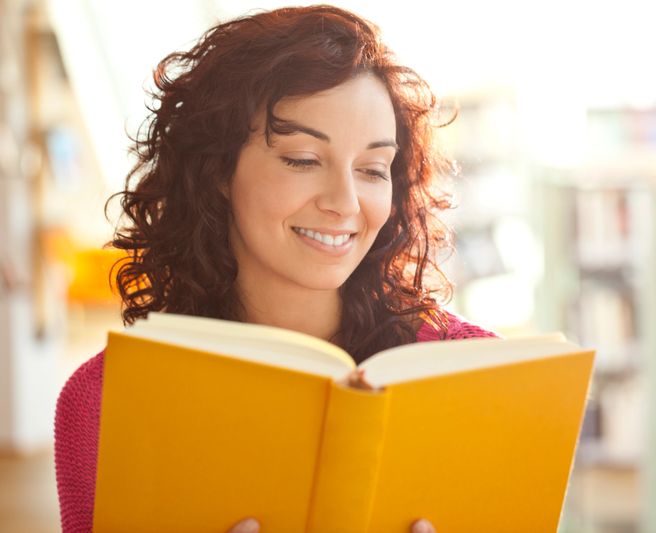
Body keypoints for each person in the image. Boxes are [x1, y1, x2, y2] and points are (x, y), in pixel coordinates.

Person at [54, 5, 499, 532]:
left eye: (373, 169)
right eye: (303, 160)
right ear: (218, 170)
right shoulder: (104, 403)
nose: (346, 202)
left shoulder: (478, 373)